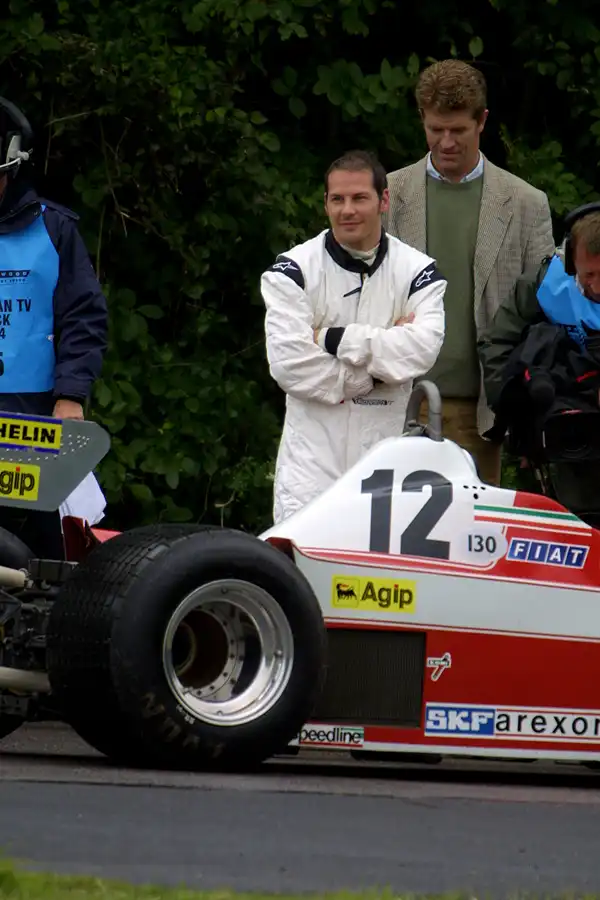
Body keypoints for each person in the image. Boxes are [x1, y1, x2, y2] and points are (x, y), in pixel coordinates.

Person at [384, 59, 555, 485]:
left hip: (483, 411)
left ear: (482, 122)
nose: (445, 142)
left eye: (457, 130)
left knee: (471, 542)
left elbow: (546, 315)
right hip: (394, 402)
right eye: (435, 129)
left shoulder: (526, 204)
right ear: (422, 119)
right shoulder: (388, 195)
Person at [260, 149, 447, 524]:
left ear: (384, 201)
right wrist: (373, 373)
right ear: (326, 203)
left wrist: (332, 339)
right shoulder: (291, 270)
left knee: (378, 580)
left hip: (384, 467)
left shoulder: (418, 272)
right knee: (299, 576)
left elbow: (422, 349)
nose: (348, 210)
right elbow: (289, 366)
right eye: (337, 199)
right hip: (310, 470)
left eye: (360, 198)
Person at [0, 97, 108, 558]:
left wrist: (71, 395)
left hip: (34, 414)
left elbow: (83, 315)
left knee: (47, 546)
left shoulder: (54, 228)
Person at [478, 202, 600, 521]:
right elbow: (498, 342)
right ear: (571, 262)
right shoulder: (548, 283)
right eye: (590, 275)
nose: (598, 287)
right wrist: (514, 413)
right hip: (568, 433)